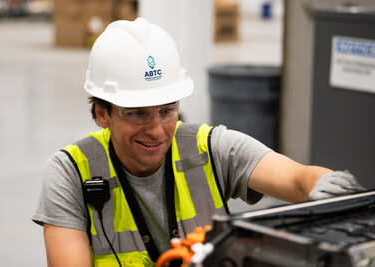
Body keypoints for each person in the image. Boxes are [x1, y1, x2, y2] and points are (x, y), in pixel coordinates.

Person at [32, 18, 364, 267]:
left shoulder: (210, 148)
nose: (157, 130)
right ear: (102, 113)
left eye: (167, 110)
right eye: (136, 114)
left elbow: (297, 179)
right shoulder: (71, 173)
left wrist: (331, 189)